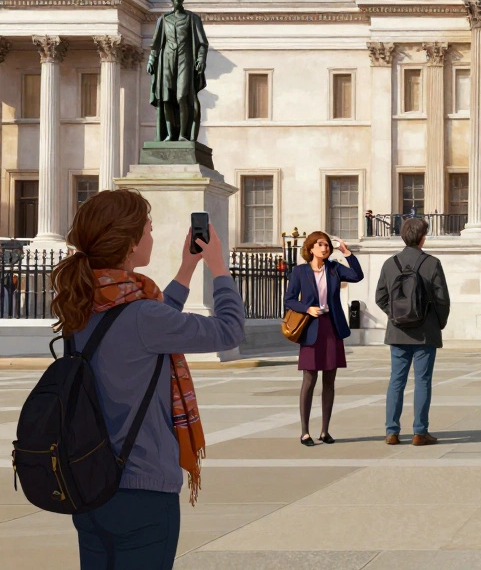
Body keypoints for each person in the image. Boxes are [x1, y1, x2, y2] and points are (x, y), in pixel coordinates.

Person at [49, 189, 245, 570]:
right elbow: (229, 330)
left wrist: (187, 269)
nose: (153, 236)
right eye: (148, 229)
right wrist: (218, 266)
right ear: (129, 243)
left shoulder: (85, 302)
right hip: (141, 489)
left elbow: (149, 324)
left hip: (89, 485)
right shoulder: (142, 316)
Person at [375, 217, 451, 447]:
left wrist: (396, 315)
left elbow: (380, 297)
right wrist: (438, 322)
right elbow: (443, 300)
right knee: (423, 380)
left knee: (396, 381)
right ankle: (420, 431)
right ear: (422, 237)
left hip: (398, 332)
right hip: (425, 331)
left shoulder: (390, 264)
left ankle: (392, 431)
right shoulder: (432, 263)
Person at [284, 231, 364, 446]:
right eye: (320, 244)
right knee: (309, 380)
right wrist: (306, 309)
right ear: (311, 248)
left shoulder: (334, 269)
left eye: (327, 244)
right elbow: (289, 300)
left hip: (332, 328)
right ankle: (305, 432)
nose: (325, 247)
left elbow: (357, 276)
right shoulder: (300, 272)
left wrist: (347, 253)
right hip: (311, 329)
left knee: (330, 381)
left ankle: (325, 431)